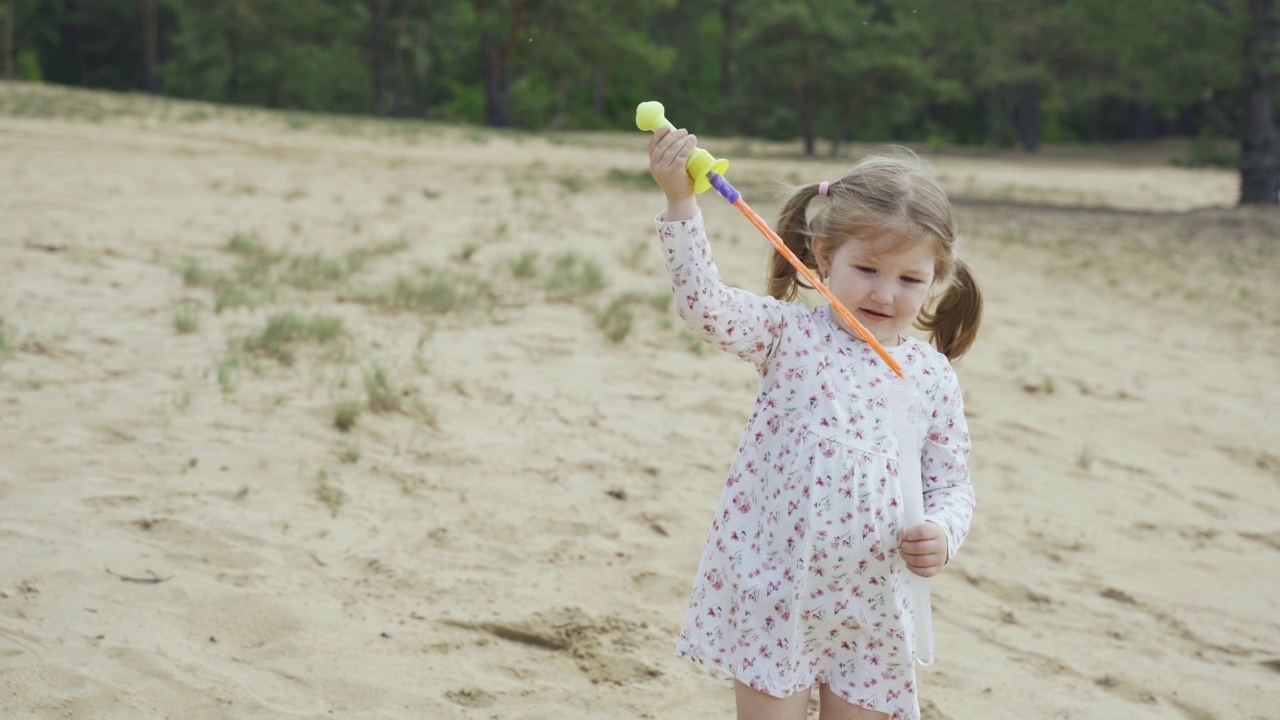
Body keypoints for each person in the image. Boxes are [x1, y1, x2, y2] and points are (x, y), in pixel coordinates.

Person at [647, 126, 981, 720]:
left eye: (909, 279)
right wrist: (680, 201)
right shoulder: (790, 335)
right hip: (777, 591)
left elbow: (952, 483)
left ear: (938, 280)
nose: (885, 294)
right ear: (823, 255)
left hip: (874, 604)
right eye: (867, 269)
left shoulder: (931, 377)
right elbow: (704, 306)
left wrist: (942, 532)